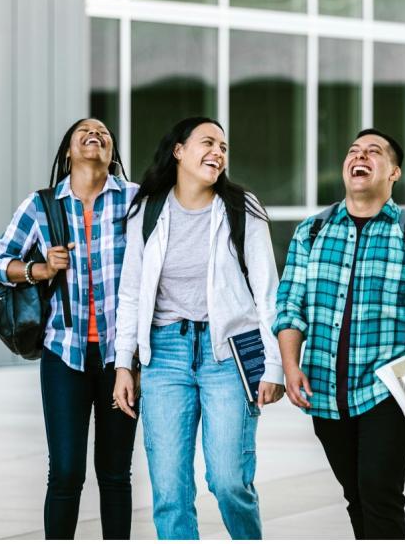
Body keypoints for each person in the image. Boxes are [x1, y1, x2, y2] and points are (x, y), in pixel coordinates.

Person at [273, 129, 405, 540]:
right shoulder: (312, 232)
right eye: (353, 151)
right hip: (326, 388)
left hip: (391, 389)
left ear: (393, 172)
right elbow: (290, 306)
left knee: (380, 488)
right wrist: (290, 366)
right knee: (356, 493)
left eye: (373, 152)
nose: (360, 157)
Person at [112, 116, 285, 540]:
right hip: (165, 355)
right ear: (179, 151)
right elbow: (131, 292)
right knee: (170, 491)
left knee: (229, 482)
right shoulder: (148, 210)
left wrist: (274, 365)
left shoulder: (242, 208)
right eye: (208, 143)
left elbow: (268, 293)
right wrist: (122, 363)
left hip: (228, 354)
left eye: (224, 147)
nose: (218, 153)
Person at [0, 118, 139, 539]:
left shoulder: (134, 200)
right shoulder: (42, 205)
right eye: (84, 132)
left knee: (114, 473)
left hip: (120, 359)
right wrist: (39, 268)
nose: (96, 134)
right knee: (66, 472)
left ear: (111, 152)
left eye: (104, 133)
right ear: (68, 152)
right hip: (63, 354)